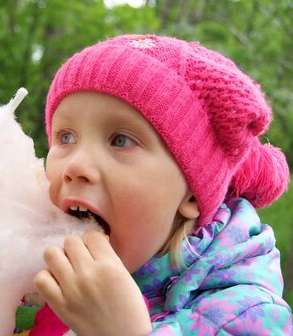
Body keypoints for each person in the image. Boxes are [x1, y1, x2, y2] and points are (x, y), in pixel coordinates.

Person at [23, 34, 292, 335]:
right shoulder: (33, 277)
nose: (75, 166)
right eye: (66, 137)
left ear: (191, 194)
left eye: (120, 140)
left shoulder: (249, 315)